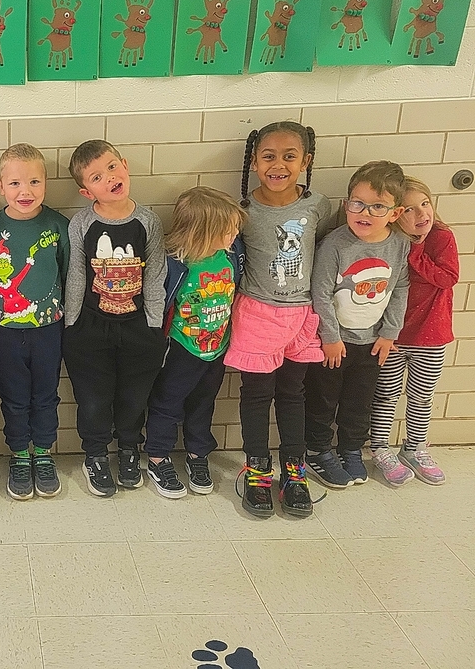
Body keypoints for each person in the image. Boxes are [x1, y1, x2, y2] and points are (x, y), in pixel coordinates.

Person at [226, 121, 335, 518]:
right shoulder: (243, 212)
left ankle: (294, 470)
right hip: (257, 315)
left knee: (293, 394)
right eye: (268, 156)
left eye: (290, 156)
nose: (278, 165)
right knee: (256, 396)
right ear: (254, 162)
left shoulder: (318, 205)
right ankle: (257, 469)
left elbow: (322, 252)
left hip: (302, 316)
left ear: (305, 161)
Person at [63, 140, 167, 497]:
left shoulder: (147, 221)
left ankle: (128, 449)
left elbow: (155, 273)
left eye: (111, 167)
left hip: (138, 327)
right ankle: (95, 454)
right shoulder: (82, 223)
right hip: (91, 328)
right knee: (94, 399)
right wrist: (73, 324)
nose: (109, 178)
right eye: (96, 177)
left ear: (124, 164)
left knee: (133, 397)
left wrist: (153, 323)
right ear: (86, 191)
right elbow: (76, 275)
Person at [305, 161, 410, 489]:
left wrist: (390, 332)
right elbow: (320, 292)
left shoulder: (399, 244)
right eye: (358, 203)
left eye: (378, 206)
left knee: (359, 402)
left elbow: (400, 287)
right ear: (346, 204)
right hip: (333, 343)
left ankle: (350, 449)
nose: (365, 212)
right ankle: (318, 450)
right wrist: (330, 336)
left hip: (372, 343)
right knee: (323, 399)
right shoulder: (335, 244)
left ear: (395, 213)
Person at [0, 144, 69, 501]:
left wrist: (68, 324)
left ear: (46, 183)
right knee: (13, 396)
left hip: (49, 330)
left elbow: (69, 276)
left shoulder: (59, 226)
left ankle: (43, 452)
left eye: (33, 182)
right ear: (1, 186)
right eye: (15, 183)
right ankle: (19, 454)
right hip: (5, 332)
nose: (24, 191)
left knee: (46, 395)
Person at [145, 187, 245, 499]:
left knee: (204, 402)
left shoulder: (231, 255)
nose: (235, 234)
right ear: (204, 232)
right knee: (168, 402)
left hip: (217, 348)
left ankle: (197, 453)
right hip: (181, 348)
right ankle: (158, 457)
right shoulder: (176, 263)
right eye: (228, 229)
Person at [369, 176, 456, 486]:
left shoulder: (441, 237)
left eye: (425, 204)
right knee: (385, 394)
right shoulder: (389, 241)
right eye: (409, 209)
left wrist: (417, 248)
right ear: (395, 214)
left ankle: (415, 448)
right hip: (392, 336)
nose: (421, 214)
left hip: (431, 336)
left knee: (422, 396)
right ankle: (380, 447)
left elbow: (446, 278)